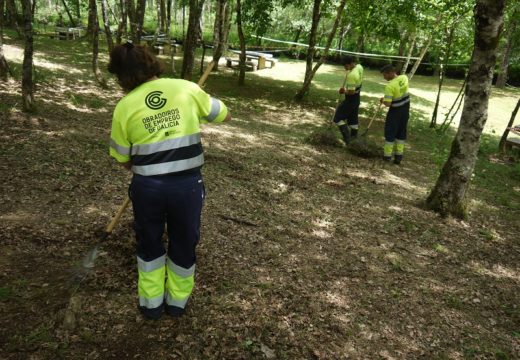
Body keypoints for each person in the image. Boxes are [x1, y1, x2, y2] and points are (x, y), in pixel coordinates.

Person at [107, 42, 231, 320]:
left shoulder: (124, 107)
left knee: (149, 242)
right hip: (186, 187)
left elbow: (122, 159)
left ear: (121, 76)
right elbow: (224, 114)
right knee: (184, 241)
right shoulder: (185, 88)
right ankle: (177, 302)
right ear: (152, 62)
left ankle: (151, 305)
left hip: (147, 188)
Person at [379, 64, 410, 164]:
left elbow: (388, 104)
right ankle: (398, 157)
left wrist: (383, 101)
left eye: (385, 75)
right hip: (405, 111)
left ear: (390, 73)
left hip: (395, 113)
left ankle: (387, 156)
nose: (384, 77)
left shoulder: (390, 86)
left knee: (390, 133)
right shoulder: (404, 78)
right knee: (401, 132)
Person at [333, 56, 364, 144]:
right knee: (353, 121)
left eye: (345, 66)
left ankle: (347, 139)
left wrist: (343, 91)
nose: (344, 68)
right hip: (357, 99)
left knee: (337, 118)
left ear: (350, 64)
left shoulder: (352, 75)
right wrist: (349, 70)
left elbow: (351, 92)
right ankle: (354, 140)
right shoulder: (359, 67)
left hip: (351, 99)